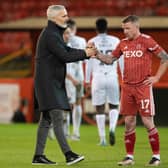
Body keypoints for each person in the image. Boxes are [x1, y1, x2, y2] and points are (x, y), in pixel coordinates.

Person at [95, 15, 168, 166]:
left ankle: (156, 156)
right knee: (128, 122)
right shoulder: (122, 43)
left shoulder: (147, 40)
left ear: (136, 27)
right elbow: (110, 60)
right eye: (123, 29)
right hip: (127, 87)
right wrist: (96, 54)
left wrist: (157, 77)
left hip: (142, 86)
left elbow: (165, 57)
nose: (125, 31)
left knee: (148, 122)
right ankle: (129, 157)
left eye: (127, 28)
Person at [32, 5, 96, 166]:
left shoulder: (52, 33)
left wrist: (85, 53)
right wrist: (85, 54)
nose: (67, 18)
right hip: (48, 83)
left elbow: (66, 50)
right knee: (57, 117)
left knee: (46, 119)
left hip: (49, 82)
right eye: (64, 16)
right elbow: (64, 56)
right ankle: (69, 155)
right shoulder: (51, 35)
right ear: (54, 18)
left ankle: (38, 156)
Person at [85, 18, 123, 146]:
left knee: (99, 108)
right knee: (114, 105)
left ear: (96, 28)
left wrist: (86, 80)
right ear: (107, 27)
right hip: (112, 76)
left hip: (98, 77)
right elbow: (120, 60)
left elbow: (88, 62)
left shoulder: (91, 42)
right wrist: (123, 76)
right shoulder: (116, 40)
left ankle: (102, 139)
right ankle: (112, 128)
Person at [65, 19, 86, 140]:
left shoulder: (63, 40)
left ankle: (66, 132)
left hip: (68, 76)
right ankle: (76, 133)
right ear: (74, 28)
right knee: (78, 103)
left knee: (68, 104)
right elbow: (85, 59)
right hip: (80, 75)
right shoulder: (82, 41)